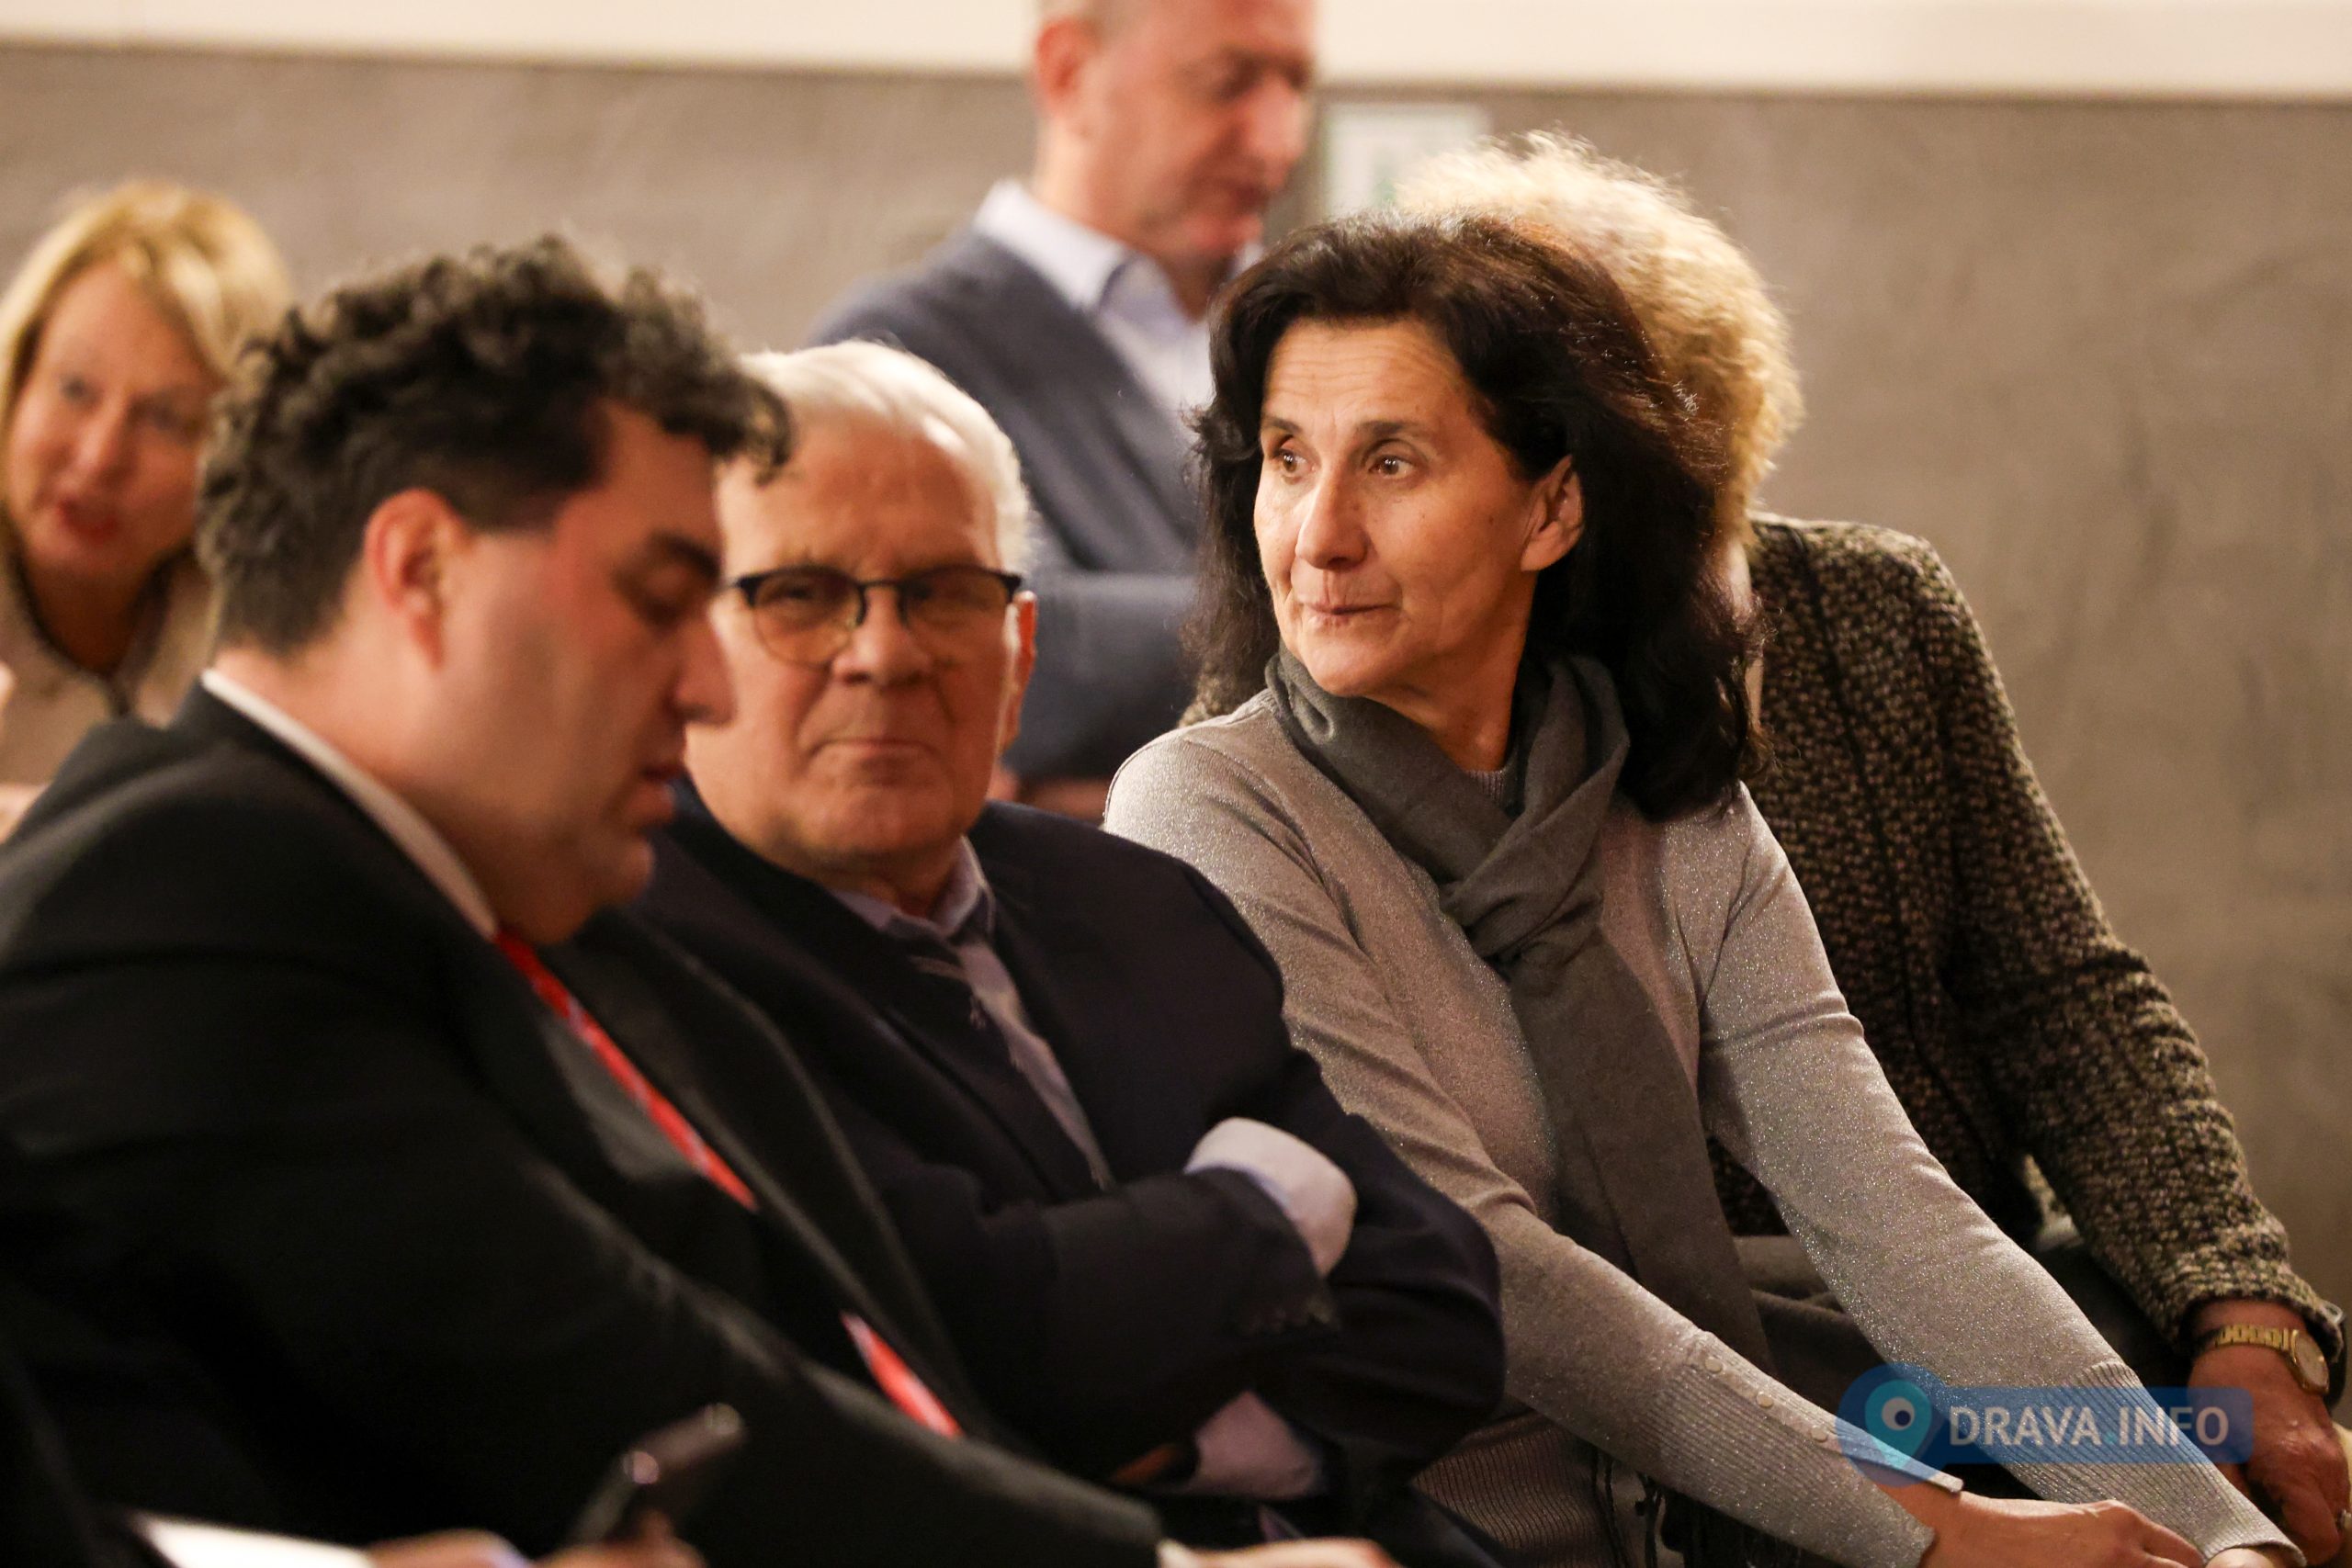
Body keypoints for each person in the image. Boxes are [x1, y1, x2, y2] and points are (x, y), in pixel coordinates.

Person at [0, 235, 1388, 1568]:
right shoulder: (184, 892)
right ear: (420, 569)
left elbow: (825, 1351)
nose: (712, 681)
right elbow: (613, 1372)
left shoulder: (503, 905)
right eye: (665, 600)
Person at [1103, 211, 2299, 1568]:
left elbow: (1892, 1213)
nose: (1318, 536)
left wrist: (2220, 1536)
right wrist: (1947, 1533)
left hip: (1726, 1501)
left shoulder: (1671, 801)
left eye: (1392, 461)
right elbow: (1494, 1264)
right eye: (1285, 459)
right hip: (1437, 1528)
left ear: (1552, 507)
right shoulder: (1205, 808)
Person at [1388, 131, 2351, 1564]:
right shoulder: (1370, 695)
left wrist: (2244, 1309)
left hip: (1965, 1302)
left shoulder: (1871, 610)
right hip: (1654, 1349)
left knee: (2209, 1443)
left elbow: (2065, 996)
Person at [634, 341, 1505, 1560]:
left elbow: (1442, 1308)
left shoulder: (1136, 899)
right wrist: (1275, 1203)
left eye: (944, 592)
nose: (883, 653)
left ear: (1021, 652)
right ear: (684, 646)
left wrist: (1126, 1408)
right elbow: (953, 1350)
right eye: (801, 595)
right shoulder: (635, 945)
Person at [808, 0, 1315, 817]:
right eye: (1227, 82)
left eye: (1296, 84)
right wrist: (1351, 628)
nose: (1277, 138)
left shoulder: (1323, 332)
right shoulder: (896, 352)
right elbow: (1008, 658)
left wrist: (1093, 788)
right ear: (1068, 72)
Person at [0, 180, 292, 834]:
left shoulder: (263, 630)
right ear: (16, 379)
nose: (100, 457)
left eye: (167, 419)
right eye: (74, 388)